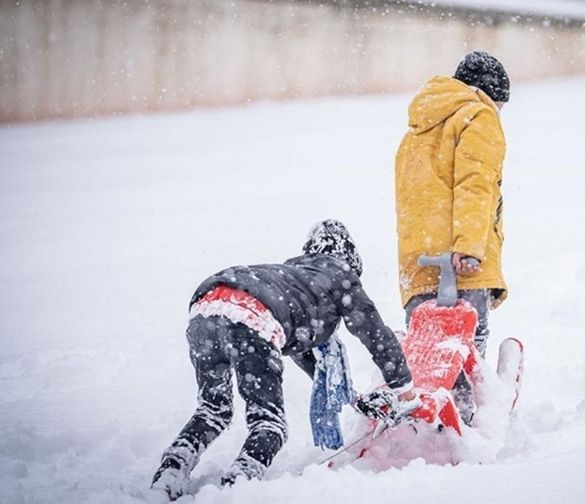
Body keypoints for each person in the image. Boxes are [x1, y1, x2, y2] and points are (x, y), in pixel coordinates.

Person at [151, 220, 418, 500]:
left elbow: (310, 362)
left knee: (212, 410)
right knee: (270, 424)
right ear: (350, 259)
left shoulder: (293, 279)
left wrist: (355, 399)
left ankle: (172, 469)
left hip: (206, 307)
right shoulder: (340, 274)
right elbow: (375, 334)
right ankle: (239, 483)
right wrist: (405, 391)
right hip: (251, 315)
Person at [394, 51, 510, 421]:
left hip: (417, 263)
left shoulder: (417, 127)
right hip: (461, 260)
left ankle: (429, 419)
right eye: (501, 104)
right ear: (489, 94)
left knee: (429, 354)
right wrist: (469, 247)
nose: (500, 112)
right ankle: (470, 420)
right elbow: (475, 186)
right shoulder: (478, 115)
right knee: (466, 348)